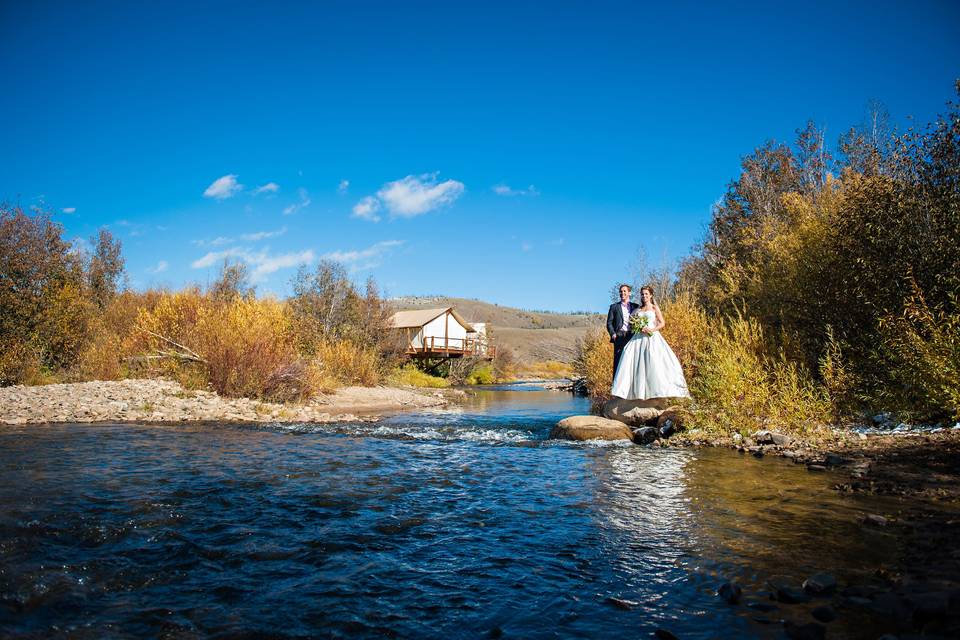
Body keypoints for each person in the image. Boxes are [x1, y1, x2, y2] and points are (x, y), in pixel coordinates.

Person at [610, 285, 690, 400]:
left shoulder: (654, 308)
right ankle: (635, 393)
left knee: (654, 361)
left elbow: (662, 323)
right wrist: (637, 326)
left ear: (651, 295)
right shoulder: (638, 309)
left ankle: (658, 392)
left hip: (652, 337)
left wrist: (651, 330)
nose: (644, 296)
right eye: (642, 294)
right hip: (638, 338)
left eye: (646, 294)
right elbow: (631, 323)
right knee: (632, 359)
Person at [606, 284, 639, 374]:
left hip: (632, 336)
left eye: (624, 291)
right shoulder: (614, 307)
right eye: (621, 291)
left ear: (629, 293)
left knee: (632, 361)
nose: (622, 293)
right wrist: (613, 334)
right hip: (619, 336)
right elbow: (609, 323)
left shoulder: (636, 306)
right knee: (618, 361)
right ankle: (616, 385)